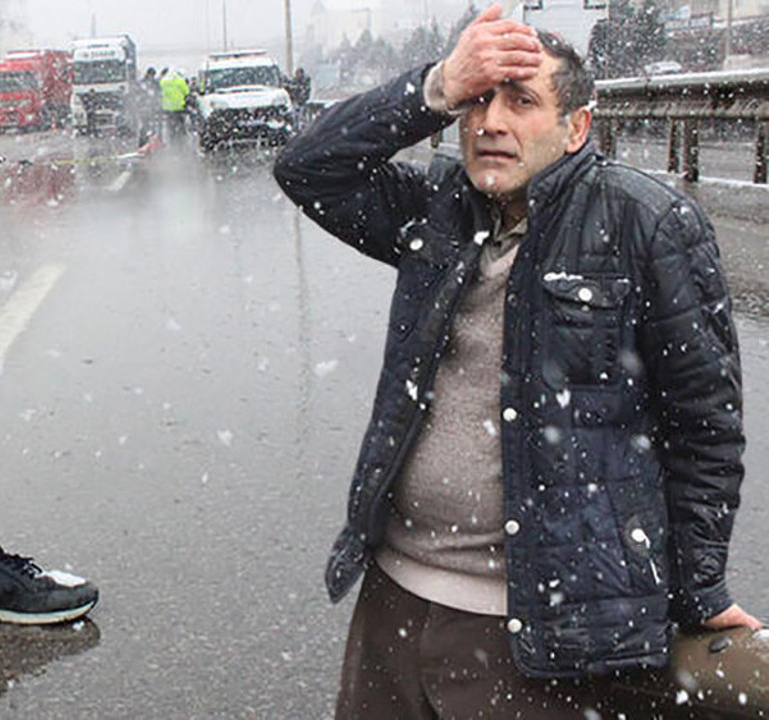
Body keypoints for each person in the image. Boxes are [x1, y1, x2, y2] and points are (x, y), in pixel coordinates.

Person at [274, 5, 760, 717]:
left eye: (521, 102)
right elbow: (307, 167)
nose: (489, 123)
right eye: (477, 101)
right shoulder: (441, 208)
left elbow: (704, 430)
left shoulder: (646, 224)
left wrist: (698, 591)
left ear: (577, 127)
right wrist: (436, 85)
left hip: (539, 629)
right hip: (393, 599)